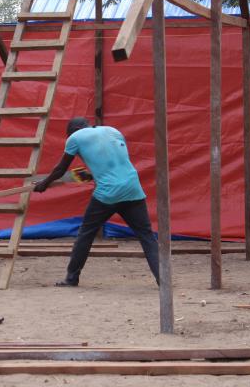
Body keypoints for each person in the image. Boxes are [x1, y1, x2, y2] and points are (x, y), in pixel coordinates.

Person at [33, 117, 160, 287]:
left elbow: (60, 169)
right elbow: (115, 164)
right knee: (147, 236)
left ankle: (71, 278)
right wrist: (92, 174)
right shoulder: (114, 131)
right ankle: (163, 278)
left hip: (107, 193)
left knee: (86, 233)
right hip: (132, 188)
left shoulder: (75, 138)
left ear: (73, 131)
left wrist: (44, 184)